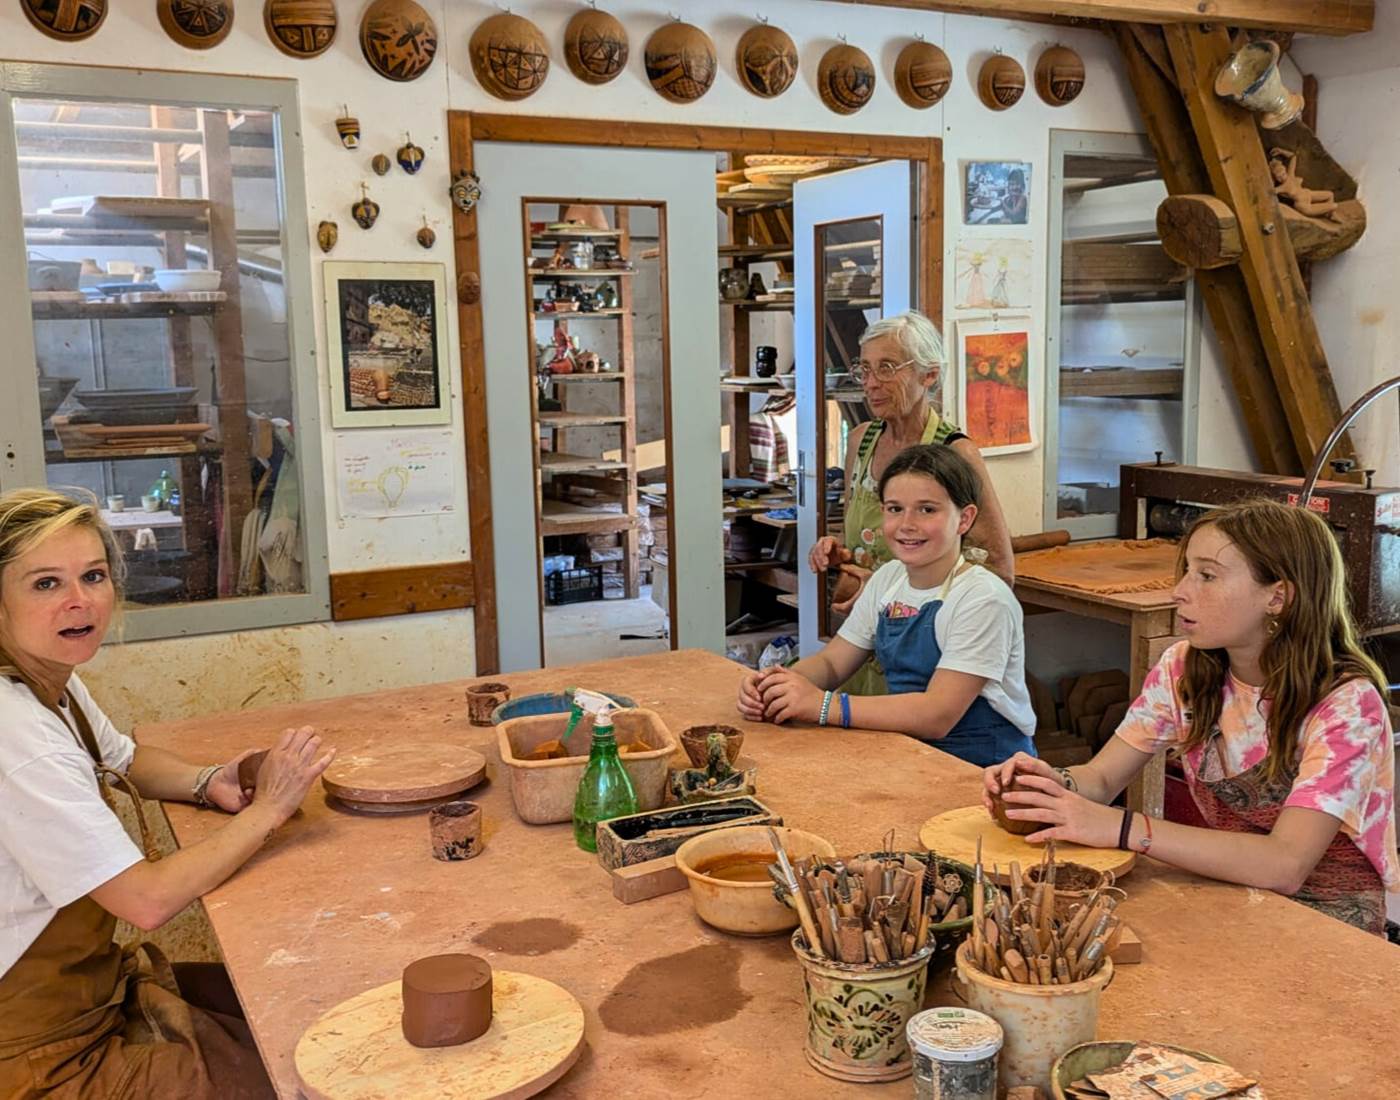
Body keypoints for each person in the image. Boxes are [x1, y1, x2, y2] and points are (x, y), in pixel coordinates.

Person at [0, 488, 335, 1097]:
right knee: (311, 1076)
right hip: (38, 1054)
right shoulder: (18, 736)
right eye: (45, 584)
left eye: (93, 576)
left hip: (94, 994)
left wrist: (210, 781)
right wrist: (268, 811)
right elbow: (145, 901)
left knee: (298, 1006)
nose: (79, 602)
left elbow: (125, 756)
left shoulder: (42, 682)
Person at [984, 499, 1399, 935]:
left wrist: (1123, 827)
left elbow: (1285, 864)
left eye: (1206, 575)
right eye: (1186, 571)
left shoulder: (1347, 705)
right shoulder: (1184, 668)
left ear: (1278, 596)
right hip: (1231, 895)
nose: (1179, 590)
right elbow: (1102, 780)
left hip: (1329, 926)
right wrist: (1050, 786)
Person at [741, 444, 1036, 768]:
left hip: (985, 771)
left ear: (964, 519)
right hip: (913, 755)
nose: (907, 524)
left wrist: (823, 706)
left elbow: (937, 715)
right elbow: (832, 664)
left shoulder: (982, 598)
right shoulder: (889, 579)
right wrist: (780, 686)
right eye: (895, 509)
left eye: (927, 510)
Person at [808, 310, 1014, 695]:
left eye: (887, 368)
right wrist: (838, 552)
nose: (871, 384)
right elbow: (864, 535)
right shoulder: (861, 440)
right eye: (864, 370)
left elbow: (999, 569)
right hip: (862, 639)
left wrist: (899, 592)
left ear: (929, 374)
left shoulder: (956, 453)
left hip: (926, 656)